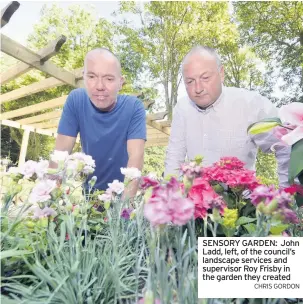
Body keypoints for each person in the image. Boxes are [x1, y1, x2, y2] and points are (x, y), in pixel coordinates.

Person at [164, 46, 290, 187]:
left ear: (221, 73)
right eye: (190, 81)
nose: (198, 88)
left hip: (241, 203)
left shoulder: (252, 104)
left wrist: (287, 196)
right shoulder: (182, 108)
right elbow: (174, 158)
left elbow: (285, 144)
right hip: (197, 203)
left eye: (205, 78)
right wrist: (170, 199)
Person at [54, 48, 146, 197]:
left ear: (120, 82)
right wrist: (47, 199)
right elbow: (60, 154)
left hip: (122, 195)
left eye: (109, 79)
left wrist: (124, 210)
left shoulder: (134, 107)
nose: (99, 86)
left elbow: (136, 156)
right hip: (89, 195)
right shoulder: (76, 100)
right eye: (91, 76)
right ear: (83, 76)